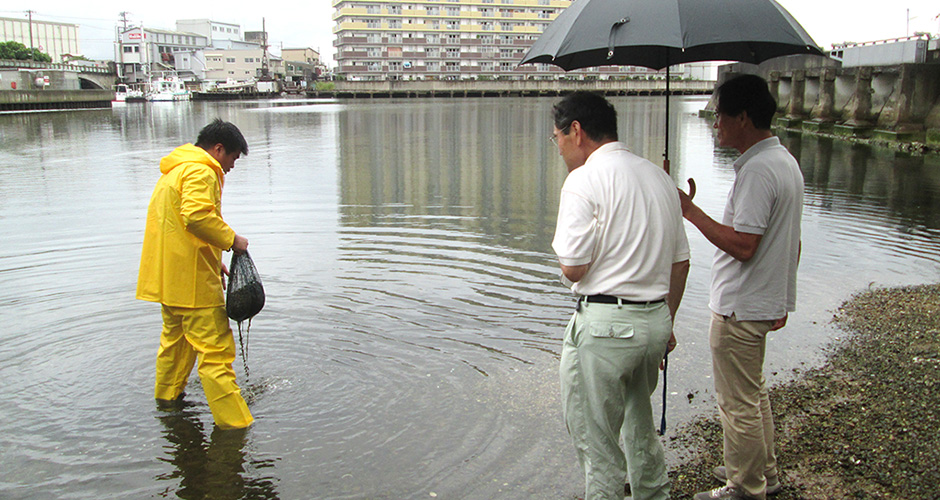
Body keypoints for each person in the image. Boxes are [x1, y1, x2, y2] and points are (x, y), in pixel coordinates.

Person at [550, 91, 690, 500]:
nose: (557, 147)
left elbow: (573, 267)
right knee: (640, 423)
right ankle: (653, 494)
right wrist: (668, 321)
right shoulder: (659, 177)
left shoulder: (584, 179)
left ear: (576, 131)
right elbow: (680, 263)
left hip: (606, 328)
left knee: (598, 445)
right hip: (653, 324)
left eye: (556, 137)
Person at [681, 75, 803, 500]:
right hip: (760, 301)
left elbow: (744, 246)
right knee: (753, 393)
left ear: (743, 117)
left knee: (737, 404)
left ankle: (745, 488)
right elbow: (792, 241)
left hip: (739, 306)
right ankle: (762, 471)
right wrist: (783, 297)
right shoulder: (784, 161)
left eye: (720, 116)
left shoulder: (757, 170)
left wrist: (690, 212)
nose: (716, 125)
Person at [137, 119, 254, 430]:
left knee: (175, 346)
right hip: (193, 286)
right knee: (216, 355)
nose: (231, 166)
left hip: (168, 280)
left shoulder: (175, 171)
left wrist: (213, 260)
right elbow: (197, 216)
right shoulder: (202, 171)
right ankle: (236, 425)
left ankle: (167, 401)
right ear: (218, 149)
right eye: (233, 158)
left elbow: (177, 225)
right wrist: (232, 241)